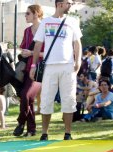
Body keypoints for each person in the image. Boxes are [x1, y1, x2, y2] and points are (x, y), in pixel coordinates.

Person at [29, 0, 82, 141]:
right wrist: (33, 66)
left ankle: (68, 133)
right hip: (49, 67)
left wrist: (78, 60)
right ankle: (44, 133)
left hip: (68, 66)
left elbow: (77, 43)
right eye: (68, 3)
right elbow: (38, 44)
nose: (70, 5)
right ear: (59, 4)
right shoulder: (45, 22)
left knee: (69, 99)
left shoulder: (73, 21)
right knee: (46, 99)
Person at [13, 4, 44, 137]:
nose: (25, 16)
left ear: (36, 14)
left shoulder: (45, 29)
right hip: (26, 69)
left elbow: (48, 52)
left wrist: (32, 52)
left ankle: (21, 122)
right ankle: (31, 129)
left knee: (25, 96)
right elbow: (23, 48)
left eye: (27, 13)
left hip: (39, 69)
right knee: (28, 99)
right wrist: (25, 52)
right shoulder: (27, 31)